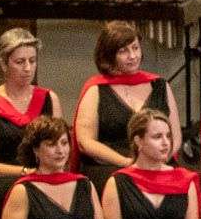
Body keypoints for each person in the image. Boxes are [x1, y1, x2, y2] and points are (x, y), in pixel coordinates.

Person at [0, 25, 54, 219]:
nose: (27, 68)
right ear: (4, 65)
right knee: (15, 193)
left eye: (32, 61)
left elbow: (62, 149)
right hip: (3, 181)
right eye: (20, 62)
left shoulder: (49, 98)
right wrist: (25, 172)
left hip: (43, 178)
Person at [70, 19, 164, 175]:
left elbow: (175, 137)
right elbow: (85, 142)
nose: (133, 56)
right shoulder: (95, 89)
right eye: (123, 51)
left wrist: (155, 160)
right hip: (110, 168)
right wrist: (127, 163)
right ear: (109, 56)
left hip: (154, 164)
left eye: (135, 48)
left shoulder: (159, 85)